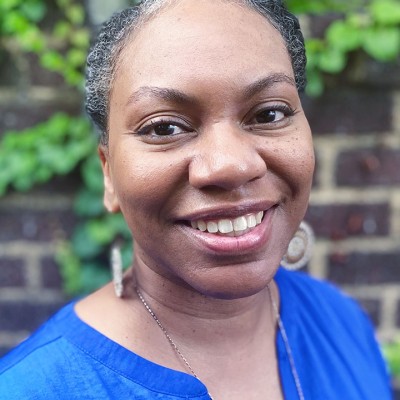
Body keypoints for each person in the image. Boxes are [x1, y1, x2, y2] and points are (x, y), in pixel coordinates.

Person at [0, 0, 393, 399]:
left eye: (269, 114)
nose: (229, 165)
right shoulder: (30, 389)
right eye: (164, 127)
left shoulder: (341, 324)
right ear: (108, 174)